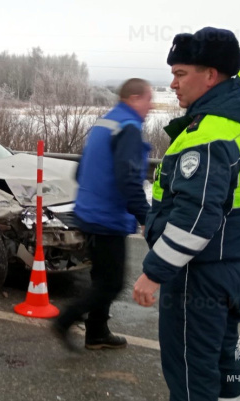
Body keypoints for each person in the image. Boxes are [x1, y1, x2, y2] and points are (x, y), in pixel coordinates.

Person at [132, 27, 240, 401]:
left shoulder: (211, 134)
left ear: (211, 74)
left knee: (190, 373)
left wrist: (153, 273)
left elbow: (196, 218)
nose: (173, 84)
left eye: (181, 74)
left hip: (200, 271)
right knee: (223, 360)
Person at [51, 78, 153, 351]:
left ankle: (97, 333)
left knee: (102, 278)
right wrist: (146, 216)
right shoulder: (128, 128)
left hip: (88, 212)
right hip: (107, 218)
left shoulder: (104, 123)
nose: (151, 105)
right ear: (133, 99)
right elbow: (129, 180)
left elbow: (80, 169)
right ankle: (65, 320)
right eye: (147, 99)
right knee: (112, 283)